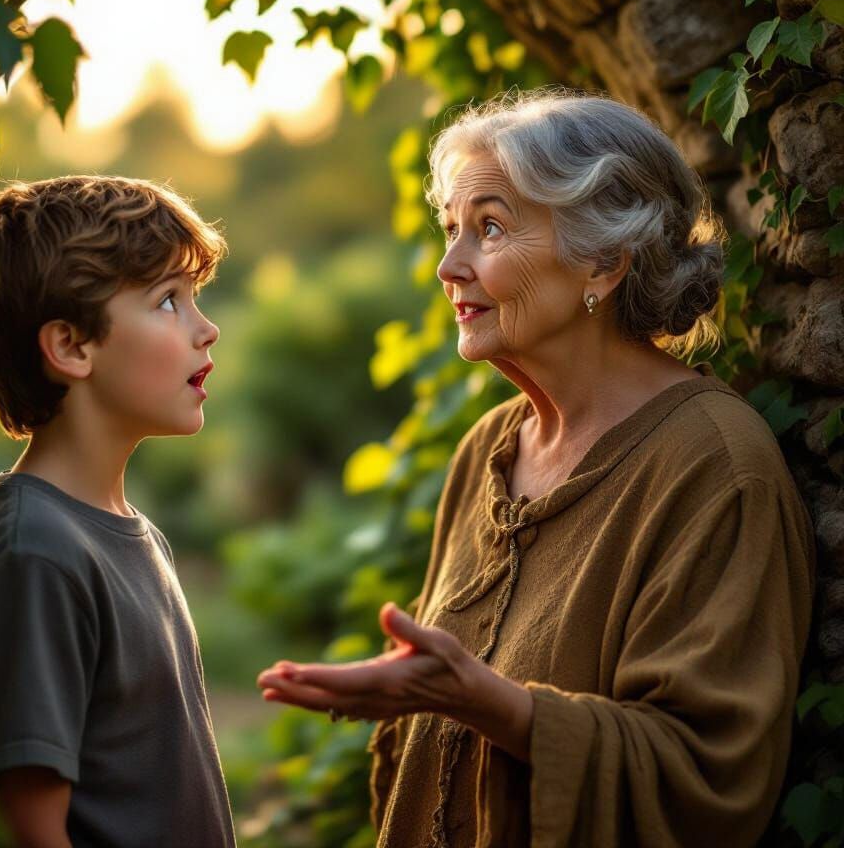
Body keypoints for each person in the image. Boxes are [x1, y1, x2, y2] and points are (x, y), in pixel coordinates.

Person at [258, 90, 815, 847]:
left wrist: (488, 703)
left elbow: (710, 780)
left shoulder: (714, 465)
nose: (450, 266)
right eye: (451, 229)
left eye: (489, 228)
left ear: (605, 260)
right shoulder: (488, 449)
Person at [0, 175, 236, 848]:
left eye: (196, 299)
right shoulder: (35, 554)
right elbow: (25, 833)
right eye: (168, 302)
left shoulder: (130, 533)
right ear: (72, 347)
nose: (206, 328)